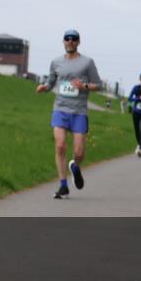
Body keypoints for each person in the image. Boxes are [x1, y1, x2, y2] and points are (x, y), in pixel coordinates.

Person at [35, 29, 101, 199]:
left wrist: (84, 86)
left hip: (79, 111)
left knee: (79, 152)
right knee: (60, 145)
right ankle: (63, 185)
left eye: (74, 39)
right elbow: (51, 82)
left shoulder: (87, 62)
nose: (70, 41)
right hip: (60, 108)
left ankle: (75, 167)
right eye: (67, 39)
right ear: (63, 41)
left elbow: (98, 85)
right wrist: (44, 87)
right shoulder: (56, 62)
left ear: (78, 42)